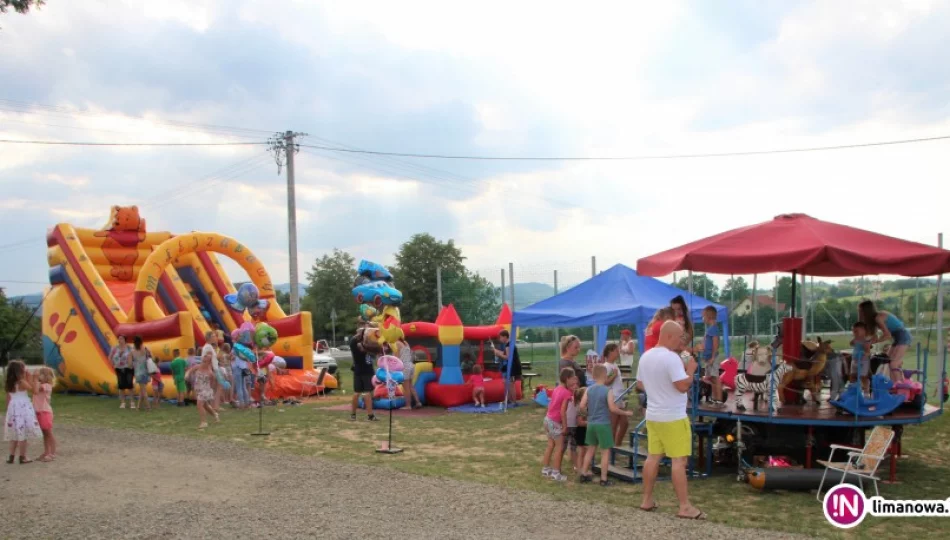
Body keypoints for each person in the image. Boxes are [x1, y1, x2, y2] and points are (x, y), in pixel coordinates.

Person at [636, 320, 704, 519]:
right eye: (679, 337)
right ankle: (684, 506)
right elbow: (682, 386)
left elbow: (640, 384)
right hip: (673, 416)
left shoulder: (645, 356)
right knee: (679, 461)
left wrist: (658, 389)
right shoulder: (671, 358)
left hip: (654, 415)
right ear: (668, 336)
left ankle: (647, 500)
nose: (681, 341)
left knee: (653, 456)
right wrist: (690, 370)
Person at [580, 364, 634, 486]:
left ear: (593, 376)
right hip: (603, 424)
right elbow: (613, 408)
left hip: (591, 423)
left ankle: (583, 473)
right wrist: (625, 412)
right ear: (605, 376)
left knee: (590, 450)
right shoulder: (607, 391)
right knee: (605, 452)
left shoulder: (589, 389)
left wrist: (588, 414)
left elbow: (582, 406)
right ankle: (603, 479)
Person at [859, 300, 912, 383]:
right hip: (898, 337)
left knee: (893, 363)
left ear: (866, 311)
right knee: (889, 361)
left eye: (861, 311)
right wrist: (868, 342)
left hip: (903, 336)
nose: (860, 313)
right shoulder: (876, 319)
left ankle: (899, 386)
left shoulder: (878, 318)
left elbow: (887, 335)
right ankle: (897, 382)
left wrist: (873, 342)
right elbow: (875, 336)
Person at [541, 368, 576, 482]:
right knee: (559, 448)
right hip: (555, 422)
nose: (575, 379)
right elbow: (562, 412)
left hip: (547, 420)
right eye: (573, 378)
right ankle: (556, 473)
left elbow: (551, 403)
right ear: (567, 379)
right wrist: (565, 426)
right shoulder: (566, 393)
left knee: (550, 445)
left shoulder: (557, 388)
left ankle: (545, 469)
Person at [4, 360, 42, 464]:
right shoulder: (21, 382)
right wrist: (35, 378)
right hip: (23, 409)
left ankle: (11, 456)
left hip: (13, 409)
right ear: (19, 371)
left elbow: (8, 398)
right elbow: (35, 391)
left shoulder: (9, 383)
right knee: (23, 434)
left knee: (14, 434)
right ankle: (22, 457)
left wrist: (8, 412)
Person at [350, 324, 380, 421]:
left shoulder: (353, 341)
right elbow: (372, 350)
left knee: (356, 392)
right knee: (367, 392)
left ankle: (353, 415)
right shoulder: (364, 342)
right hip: (366, 370)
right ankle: (370, 415)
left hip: (358, 369)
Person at [695, 306, 724, 406]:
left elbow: (715, 343)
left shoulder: (713, 329)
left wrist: (712, 357)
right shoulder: (710, 329)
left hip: (712, 358)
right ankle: (714, 398)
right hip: (708, 358)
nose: (702, 318)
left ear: (709, 316)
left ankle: (719, 399)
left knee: (715, 377)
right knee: (710, 378)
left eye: (703, 316)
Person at [187, 347, 219, 430]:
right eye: (203, 359)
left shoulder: (210, 372)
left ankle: (204, 422)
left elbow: (213, 382)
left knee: (199, 404)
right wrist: (186, 375)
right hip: (199, 389)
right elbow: (190, 371)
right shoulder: (198, 366)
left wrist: (212, 390)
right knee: (205, 406)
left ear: (209, 362)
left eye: (206, 360)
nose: (204, 361)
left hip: (205, 390)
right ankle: (215, 415)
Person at [602, 343, 628, 445]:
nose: (618, 353)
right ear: (610, 352)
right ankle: (610, 449)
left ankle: (617, 445)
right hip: (612, 399)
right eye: (616, 351)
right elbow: (605, 381)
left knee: (624, 423)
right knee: (613, 425)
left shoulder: (615, 365)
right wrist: (614, 375)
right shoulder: (605, 366)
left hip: (620, 397)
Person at [32, 366, 57, 462]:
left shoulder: (46, 386)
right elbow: (33, 388)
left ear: (46, 376)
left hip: (45, 412)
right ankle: (47, 452)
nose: (38, 376)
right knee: (44, 434)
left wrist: (34, 378)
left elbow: (36, 390)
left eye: (40, 374)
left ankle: (52, 453)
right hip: (38, 411)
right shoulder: (39, 384)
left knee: (48, 433)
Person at [492, 330, 523, 403]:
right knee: (506, 382)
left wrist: (499, 354)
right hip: (513, 365)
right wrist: (496, 351)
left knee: (511, 384)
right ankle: (508, 399)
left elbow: (507, 357)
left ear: (505, 337)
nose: (500, 339)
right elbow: (504, 353)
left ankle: (514, 401)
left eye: (500, 337)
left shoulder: (508, 345)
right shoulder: (509, 344)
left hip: (513, 366)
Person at [566, 387, 587, 474]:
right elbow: (579, 422)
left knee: (578, 448)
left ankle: (578, 465)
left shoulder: (579, 404)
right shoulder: (580, 407)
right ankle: (578, 467)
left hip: (576, 428)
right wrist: (590, 423)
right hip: (577, 429)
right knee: (579, 449)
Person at [397, 338, 423, 409]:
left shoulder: (397, 343)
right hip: (410, 365)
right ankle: (418, 402)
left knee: (406, 388)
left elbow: (396, 357)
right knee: (410, 386)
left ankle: (408, 405)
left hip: (404, 366)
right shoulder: (405, 342)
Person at [110, 335, 134, 409]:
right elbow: (110, 357)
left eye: (121, 339)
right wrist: (113, 364)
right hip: (119, 368)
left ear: (125, 340)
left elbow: (134, 356)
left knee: (130, 384)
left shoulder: (129, 347)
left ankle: (132, 402)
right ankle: (123, 402)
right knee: (121, 385)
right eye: (119, 339)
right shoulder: (115, 348)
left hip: (128, 368)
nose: (120, 340)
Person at [130, 336, 152, 412]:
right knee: (142, 390)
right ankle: (139, 407)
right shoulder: (145, 349)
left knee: (143, 391)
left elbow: (130, 364)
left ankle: (147, 407)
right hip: (146, 371)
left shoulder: (132, 351)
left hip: (138, 372)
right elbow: (150, 356)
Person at [850, 322, 872, 395]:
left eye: (856, 331)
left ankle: (866, 392)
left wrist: (865, 353)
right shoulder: (855, 339)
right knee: (853, 376)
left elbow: (868, 351)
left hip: (863, 361)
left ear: (863, 331)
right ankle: (854, 391)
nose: (854, 333)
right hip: (854, 360)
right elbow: (851, 343)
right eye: (853, 331)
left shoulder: (866, 341)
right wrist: (853, 341)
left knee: (863, 376)